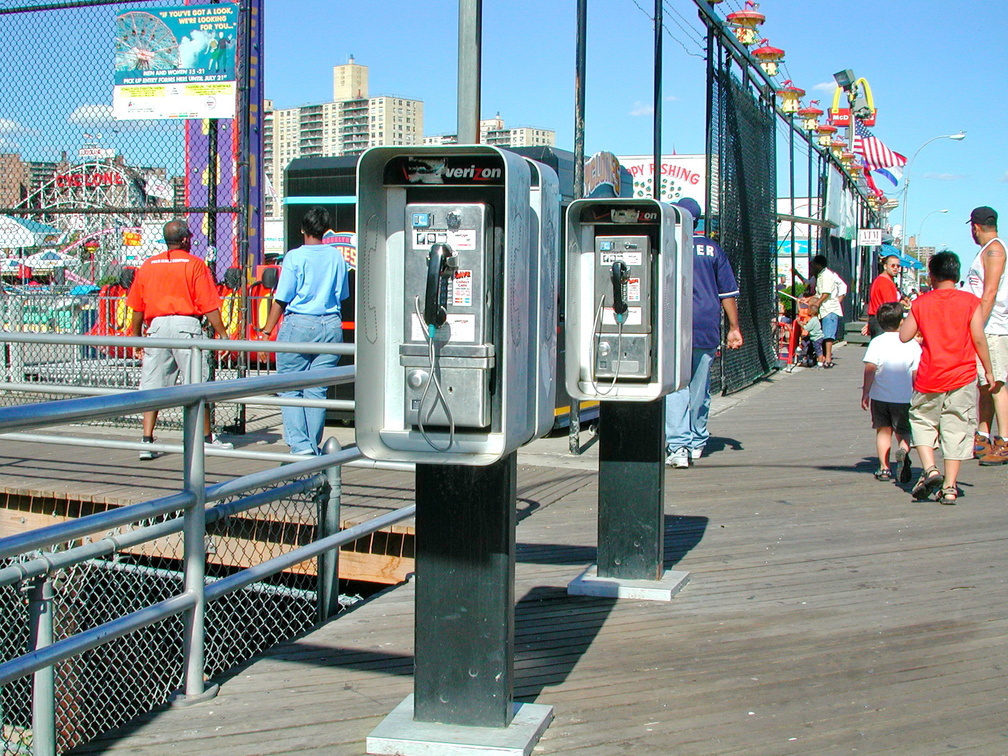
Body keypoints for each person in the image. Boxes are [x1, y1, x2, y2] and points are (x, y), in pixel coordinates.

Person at [127, 219, 232, 460]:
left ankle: (147, 440)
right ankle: (205, 439)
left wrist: (135, 338)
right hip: (187, 325)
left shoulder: (148, 265)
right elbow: (208, 304)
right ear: (186, 239)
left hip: (157, 327)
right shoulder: (195, 264)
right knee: (198, 385)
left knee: (153, 386)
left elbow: (136, 307)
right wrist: (223, 334)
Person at [899, 251, 994, 505]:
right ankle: (950, 487)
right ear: (957, 274)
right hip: (962, 377)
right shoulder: (970, 302)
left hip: (930, 376)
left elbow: (904, 336)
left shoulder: (922, 303)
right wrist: (989, 370)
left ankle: (930, 470)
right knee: (956, 428)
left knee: (922, 421)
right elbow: (978, 338)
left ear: (931, 276)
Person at [260, 206, 350, 456]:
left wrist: (267, 331)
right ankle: (312, 444)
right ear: (325, 230)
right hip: (331, 324)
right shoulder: (337, 257)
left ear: (302, 229)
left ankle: (300, 446)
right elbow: (342, 294)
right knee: (317, 388)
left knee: (290, 385)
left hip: (300, 322)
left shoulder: (295, 257)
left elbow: (282, 298)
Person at [665, 197, 743, 468]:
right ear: (698, 220)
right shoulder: (713, 249)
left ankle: (678, 446)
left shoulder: (669, 244)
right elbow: (728, 293)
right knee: (699, 388)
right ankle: (697, 440)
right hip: (706, 325)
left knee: (676, 388)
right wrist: (734, 327)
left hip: (673, 326)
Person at [962, 206, 1008, 465]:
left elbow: (989, 293)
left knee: (996, 383)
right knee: (985, 384)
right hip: (988, 326)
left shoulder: (994, 250)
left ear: (975, 227)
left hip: (993, 327)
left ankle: (1004, 440)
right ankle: (983, 434)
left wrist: (976, 324)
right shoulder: (990, 249)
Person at [862, 302, 921, 483]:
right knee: (903, 431)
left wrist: (866, 392)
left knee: (883, 431)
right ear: (902, 321)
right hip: (903, 397)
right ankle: (903, 451)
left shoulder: (877, 342)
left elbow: (870, 368)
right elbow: (915, 373)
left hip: (880, 396)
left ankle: (884, 468)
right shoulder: (911, 344)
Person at [808, 254, 847, 368]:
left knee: (828, 336)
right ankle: (823, 357)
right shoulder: (820, 276)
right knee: (823, 335)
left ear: (819, 264)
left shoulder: (827, 275)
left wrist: (817, 302)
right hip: (824, 310)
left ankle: (828, 358)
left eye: (813, 264)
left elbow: (826, 293)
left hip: (829, 309)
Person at [863, 254, 905, 338]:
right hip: (884, 321)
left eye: (898, 266)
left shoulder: (879, 280)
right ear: (885, 266)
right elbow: (891, 307)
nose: (896, 268)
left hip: (876, 319)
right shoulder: (885, 282)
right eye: (893, 265)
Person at [800, 301, 826, 368]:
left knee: (818, 351)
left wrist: (799, 323)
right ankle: (817, 362)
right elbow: (809, 325)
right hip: (816, 337)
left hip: (816, 338)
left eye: (808, 310)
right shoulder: (815, 319)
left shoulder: (813, 320)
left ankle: (820, 364)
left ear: (811, 312)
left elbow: (807, 328)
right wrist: (804, 323)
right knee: (815, 349)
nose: (807, 311)